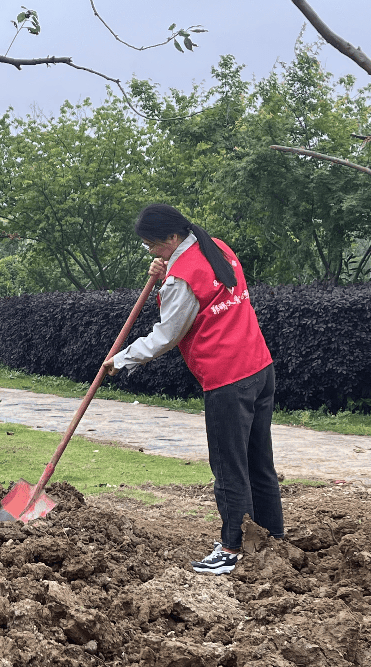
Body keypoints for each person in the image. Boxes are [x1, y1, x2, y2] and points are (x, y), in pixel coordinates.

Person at [103, 203, 283, 575]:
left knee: (229, 468)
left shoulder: (181, 277)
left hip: (228, 379)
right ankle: (272, 540)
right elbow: (208, 292)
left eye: (152, 244)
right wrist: (167, 271)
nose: (150, 251)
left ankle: (232, 548)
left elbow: (168, 334)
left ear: (171, 238)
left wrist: (121, 360)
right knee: (258, 463)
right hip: (259, 367)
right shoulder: (215, 246)